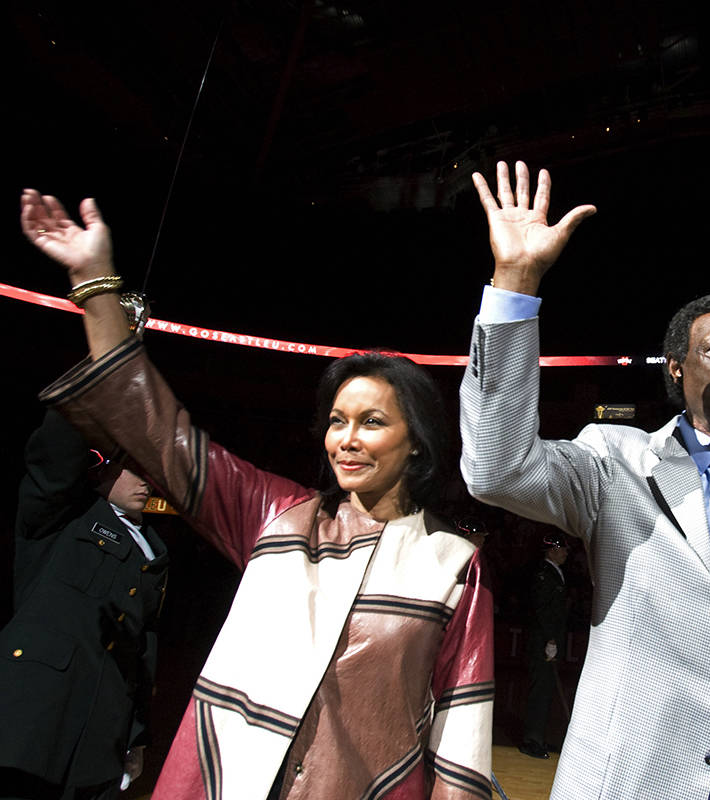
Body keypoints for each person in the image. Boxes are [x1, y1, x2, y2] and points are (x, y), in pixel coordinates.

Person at [20, 188, 494, 800]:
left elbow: (462, 740)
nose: (346, 439)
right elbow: (153, 427)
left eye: (372, 422)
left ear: (419, 444)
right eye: (336, 420)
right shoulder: (275, 513)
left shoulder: (455, 565)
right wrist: (95, 284)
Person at [459, 161, 710, 799]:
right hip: (639, 775)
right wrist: (517, 279)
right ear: (677, 371)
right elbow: (495, 467)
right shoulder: (614, 463)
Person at [0, 410, 167, 800]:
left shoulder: (155, 552)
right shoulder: (62, 515)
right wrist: (84, 399)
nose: (146, 481)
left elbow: (143, 651)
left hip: (97, 734)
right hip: (32, 717)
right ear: (103, 468)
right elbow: (53, 461)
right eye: (133, 468)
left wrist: (137, 737)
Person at [519, 532, 570, 759]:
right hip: (542, 642)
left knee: (546, 690)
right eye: (563, 549)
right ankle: (531, 740)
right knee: (539, 690)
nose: (566, 553)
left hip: (549, 640)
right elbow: (543, 609)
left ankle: (538, 736)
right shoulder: (543, 574)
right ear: (552, 551)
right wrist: (550, 639)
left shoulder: (554, 573)